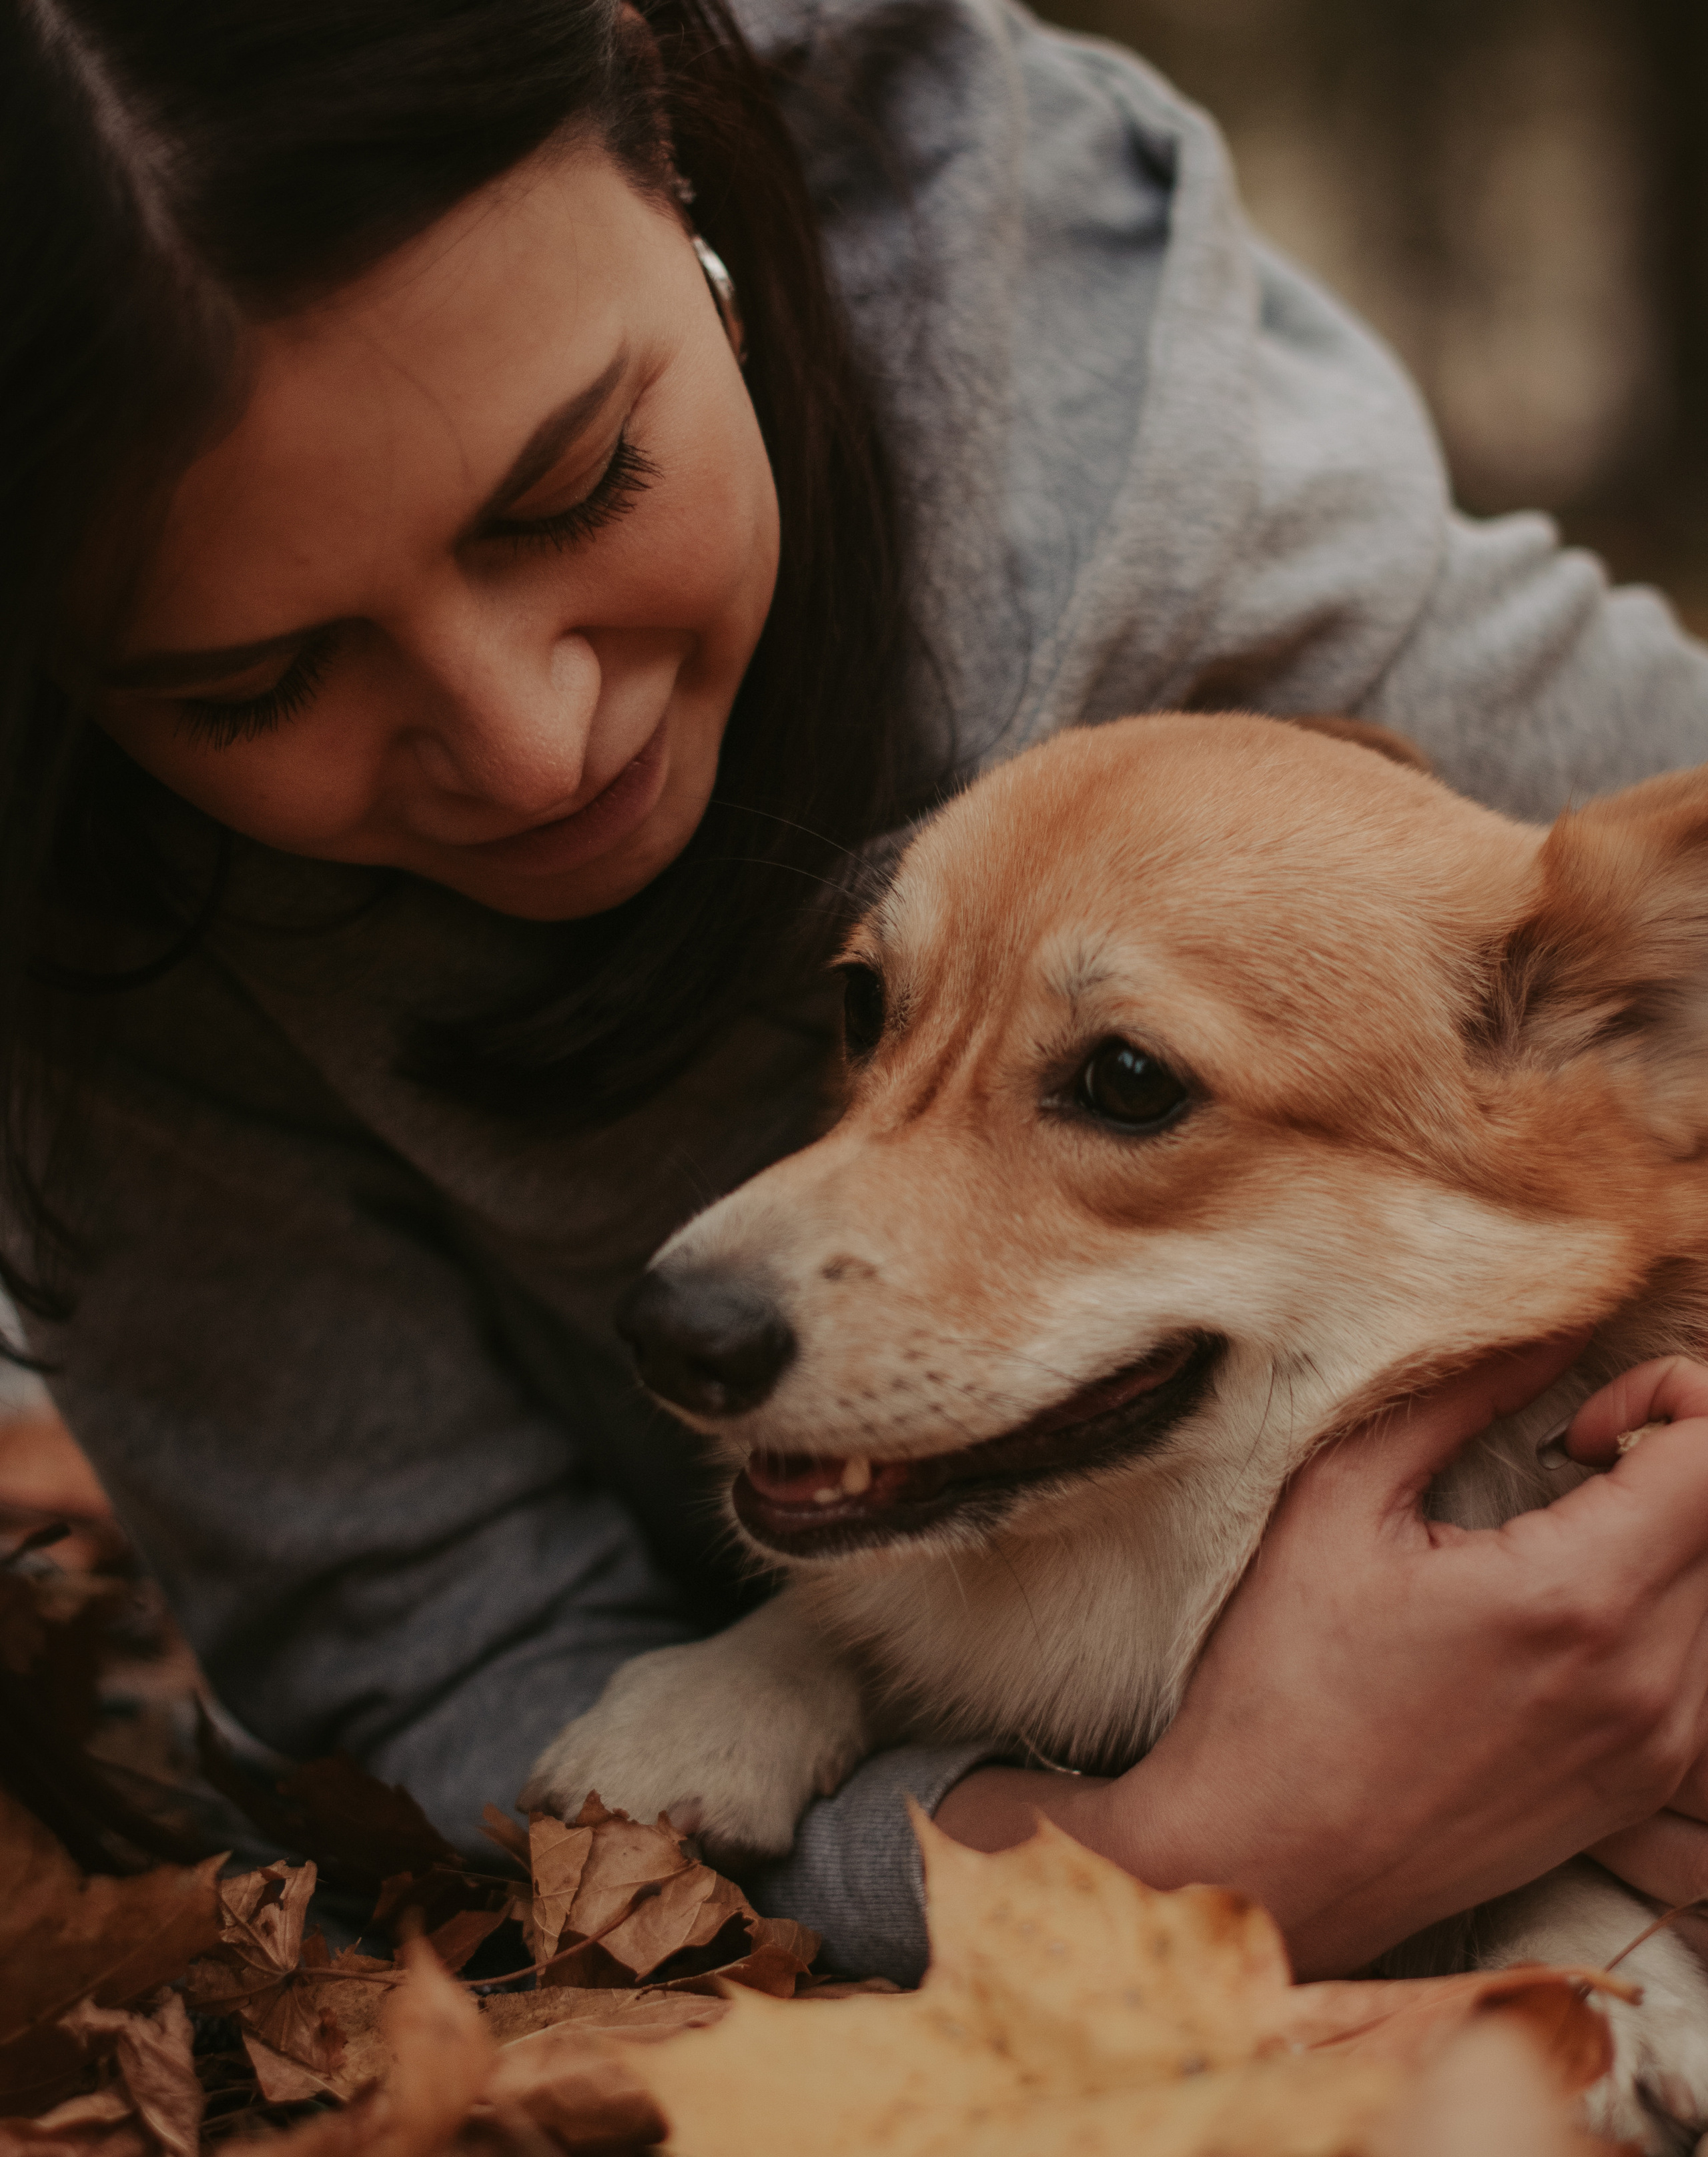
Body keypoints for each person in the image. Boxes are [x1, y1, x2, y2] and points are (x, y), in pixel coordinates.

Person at [7, 0, 1708, 1988]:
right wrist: (1183, 1863)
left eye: (572, 488)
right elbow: (439, 1676)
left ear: (672, 153)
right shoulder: (99, 925)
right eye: (254, 680)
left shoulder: (1237, 532)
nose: (537, 743)